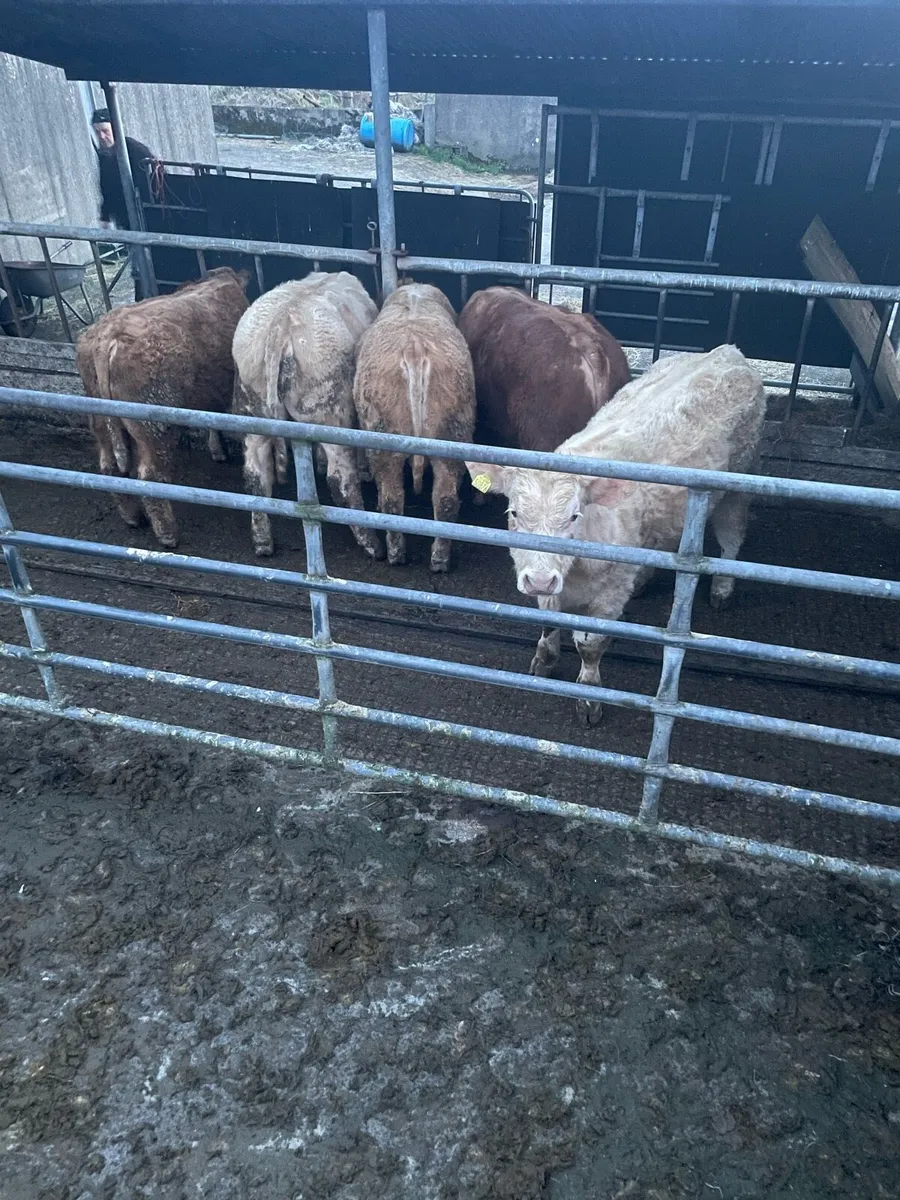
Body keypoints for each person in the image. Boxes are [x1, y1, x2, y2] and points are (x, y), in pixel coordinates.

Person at [91, 107, 158, 301]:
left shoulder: (135, 150)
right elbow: (106, 187)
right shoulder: (105, 155)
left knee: (145, 259)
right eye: (98, 132)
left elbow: (154, 181)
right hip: (126, 220)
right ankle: (144, 295)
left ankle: (145, 297)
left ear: (115, 128)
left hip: (145, 217)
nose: (102, 136)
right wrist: (104, 215)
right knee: (137, 259)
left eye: (106, 131)